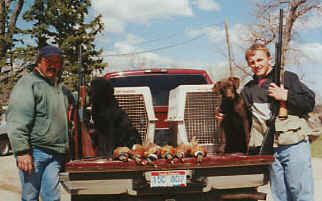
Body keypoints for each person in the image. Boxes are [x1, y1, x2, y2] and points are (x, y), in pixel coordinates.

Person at [241, 43, 315, 201]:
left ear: (269, 59)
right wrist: (222, 115)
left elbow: (309, 103)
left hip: (293, 145)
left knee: (301, 193)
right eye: (252, 62)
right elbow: (244, 119)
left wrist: (286, 96)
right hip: (270, 150)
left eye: (260, 60)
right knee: (279, 195)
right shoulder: (248, 89)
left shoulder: (287, 78)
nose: (256, 65)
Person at [7, 45, 70, 201]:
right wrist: (22, 152)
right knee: (30, 197)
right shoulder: (28, 84)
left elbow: (75, 101)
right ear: (39, 62)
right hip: (34, 152)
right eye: (49, 61)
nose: (53, 65)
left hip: (55, 153)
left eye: (57, 62)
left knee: (53, 197)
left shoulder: (58, 87)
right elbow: (17, 120)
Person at [90, 77, 142, 158]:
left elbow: (110, 132)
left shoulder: (111, 109)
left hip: (126, 143)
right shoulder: (97, 107)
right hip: (112, 141)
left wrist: (108, 155)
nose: (91, 90)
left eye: (93, 88)